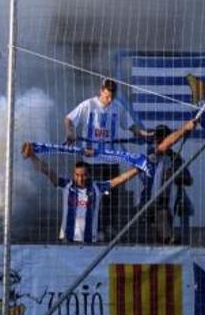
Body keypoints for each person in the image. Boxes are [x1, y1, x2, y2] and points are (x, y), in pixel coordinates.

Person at [64, 78, 152, 238]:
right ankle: (92, 227)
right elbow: (69, 119)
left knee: (112, 196)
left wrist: (142, 133)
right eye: (107, 96)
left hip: (111, 159)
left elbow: (130, 125)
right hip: (91, 160)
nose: (109, 100)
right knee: (92, 194)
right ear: (101, 91)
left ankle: (108, 227)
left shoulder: (118, 107)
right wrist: (70, 133)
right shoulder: (88, 105)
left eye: (112, 96)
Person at [22, 142, 140, 244]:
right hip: (67, 240)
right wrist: (33, 156)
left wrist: (139, 168)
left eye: (83, 175)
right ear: (74, 175)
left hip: (89, 241)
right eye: (77, 175)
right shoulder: (66, 185)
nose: (80, 178)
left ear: (88, 175)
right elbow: (47, 171)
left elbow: (119, 180)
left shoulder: (96, 188)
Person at [139, 119, 196, 245]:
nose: (158, 140)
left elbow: (189, 180)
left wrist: (175, 175)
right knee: (162, 213)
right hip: (150, 201)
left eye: (162, 137)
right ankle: (168, 239)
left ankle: (178, 241)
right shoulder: (151, 155)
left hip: (171, 200)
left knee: (178, 210)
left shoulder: (176, 158)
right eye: (157, 138)